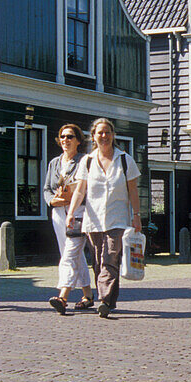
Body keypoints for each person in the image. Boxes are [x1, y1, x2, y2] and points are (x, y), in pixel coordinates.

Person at [66, 118, 141, 318]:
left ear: (113, 135)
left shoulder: (125, 159)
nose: (104, 136)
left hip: (117, 219)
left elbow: (133, 190)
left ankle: (104, 301)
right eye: (100, 133)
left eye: (107, 132)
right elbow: (80, 191)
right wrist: (71, 213)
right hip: (94, 220)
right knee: (99, 261)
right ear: (93, 136)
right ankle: (109, 301)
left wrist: (137, 216)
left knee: (110, 257)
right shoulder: (87, 161)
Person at [43, 124, 94, 314]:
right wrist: (52, 201)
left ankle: (62, 295)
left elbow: (87, 188)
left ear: (78, 140)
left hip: (79, 212)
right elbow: (47, 188)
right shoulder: (54, 163)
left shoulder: (85, 161)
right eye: (62, 136)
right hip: (58, 212)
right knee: (71, 252)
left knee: (69, 253)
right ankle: (87, 295)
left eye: (70, 136)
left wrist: (71, 197)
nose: (65, 140)